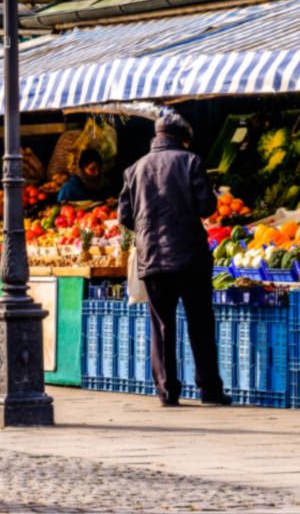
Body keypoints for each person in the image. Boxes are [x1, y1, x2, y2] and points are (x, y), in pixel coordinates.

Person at [118, 109, 230, 407]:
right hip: (190, 256)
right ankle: (209, 391)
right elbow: (206, 207)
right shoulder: (190, 162)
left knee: (162, 326)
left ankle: (167, 392)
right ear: (183, 138)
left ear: (156, 137)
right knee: (200, 324)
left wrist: (147, 230)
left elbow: (124, 215)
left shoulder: (134, 169)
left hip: (152, 257)